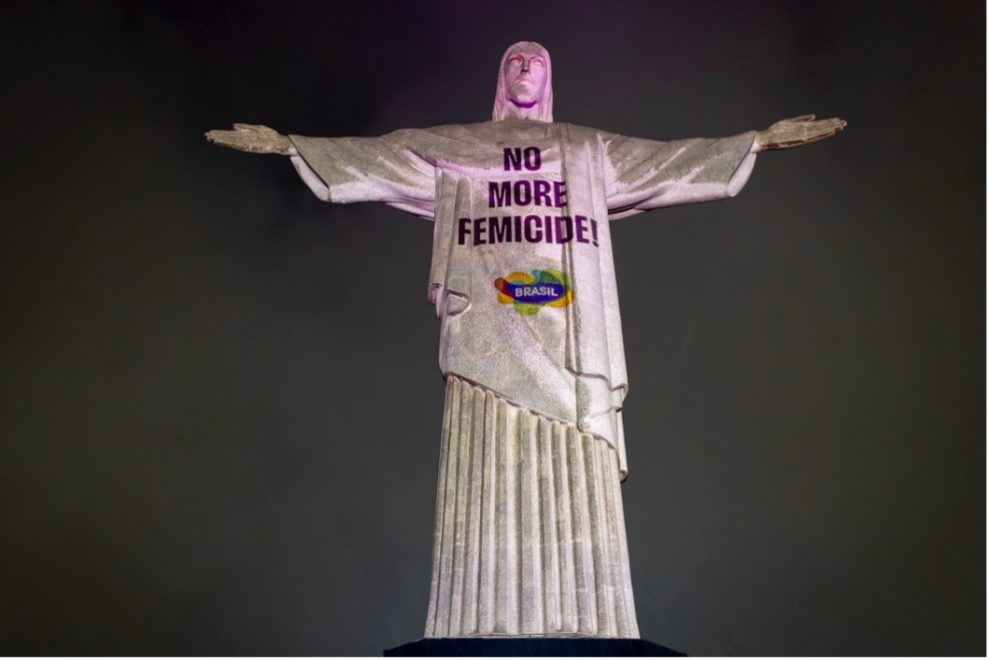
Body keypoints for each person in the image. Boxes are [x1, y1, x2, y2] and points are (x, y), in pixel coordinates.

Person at [207, 41, 844, 639]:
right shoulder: (462, 146)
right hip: (486, 329)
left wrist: (755, 141)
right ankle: (473, 619)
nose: (523, 68)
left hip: (571, 339)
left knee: (574, 466)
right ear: (500, 76)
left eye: (535, 61)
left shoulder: (583, 148)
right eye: (513, 60)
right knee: (486, 466)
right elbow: (383, 157)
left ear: (549, 78)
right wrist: (291, 146)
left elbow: (667, 161)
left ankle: (590, 622)